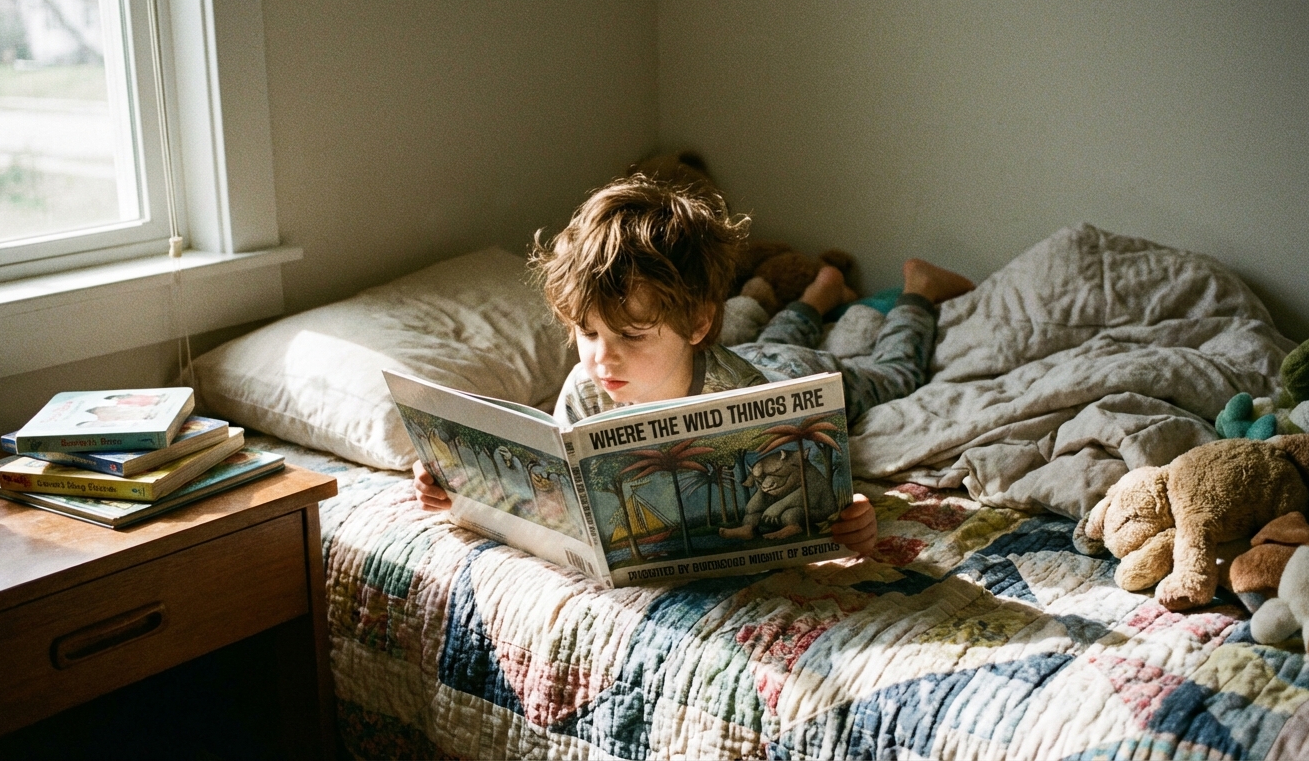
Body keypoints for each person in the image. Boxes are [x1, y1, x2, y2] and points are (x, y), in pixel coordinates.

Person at [411, 174, 974, 557]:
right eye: (587, 332)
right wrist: (459, 490)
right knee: (769, 330)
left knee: (890, 376)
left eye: (631, 335)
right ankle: (820, 293)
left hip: (785, 370)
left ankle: (917, 290)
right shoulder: (587, 389)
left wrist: (850, 517)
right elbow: (553, 486)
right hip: (739, 346)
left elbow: (806, 489)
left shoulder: (744, 395)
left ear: (699, 323)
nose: (602, 357)